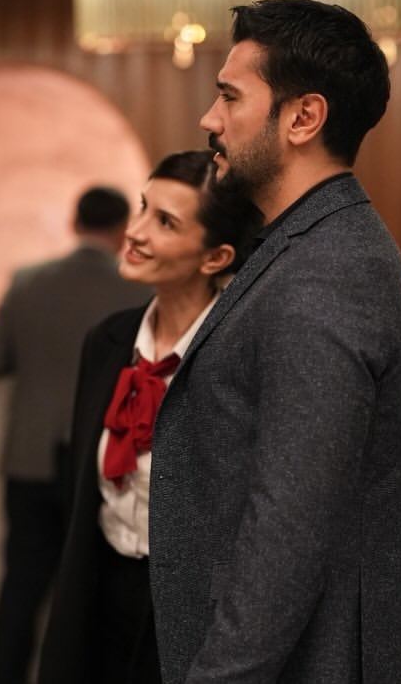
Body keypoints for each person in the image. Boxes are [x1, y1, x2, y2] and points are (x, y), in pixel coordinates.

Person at [148, 0, 401, 683]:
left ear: (303, 118)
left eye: (229, 97)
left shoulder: (329, 268)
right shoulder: (306, 246)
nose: (210, 120)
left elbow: (289, 527)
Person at [37, 150, 263, 684]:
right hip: (103, 599)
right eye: (142, 208)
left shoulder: (244, 355)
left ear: (215, 257)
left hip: (201, 616)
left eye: (165, 222)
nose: (134, 233)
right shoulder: (108, 340)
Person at [0, 186, 152, 684]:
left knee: (21, 587)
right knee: (88, 590)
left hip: (30, 456)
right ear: (122, 229)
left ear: (75, 222)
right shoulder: (137, 290)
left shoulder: (27, 282)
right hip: (100, 461)